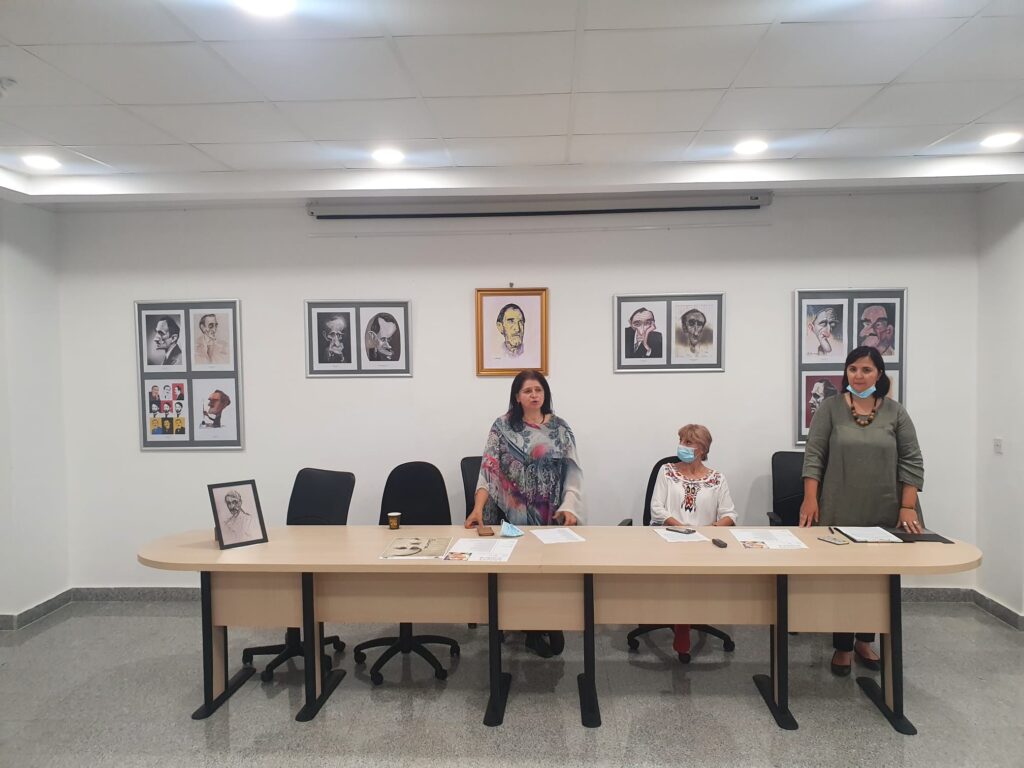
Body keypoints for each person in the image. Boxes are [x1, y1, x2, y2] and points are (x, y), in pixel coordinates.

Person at [800, 345, 924, 676]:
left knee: (877, 579)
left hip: (885, 508)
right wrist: (810, 498)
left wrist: (908, 506)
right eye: (853, 369)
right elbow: (814, 455)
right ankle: (842, 646)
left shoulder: (895, 412)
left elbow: (912, 460)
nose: (859, 375)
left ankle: (865, 642)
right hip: (840, 505)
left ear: (879, 374)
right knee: (844, 579)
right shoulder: (830, 408)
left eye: (866, 370)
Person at [466, 370, 583, 657]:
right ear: (517, 396)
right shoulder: (502, 427)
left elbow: (573, 473)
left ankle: (544, 619)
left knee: (547, 573)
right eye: (528, 390)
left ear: (545, 394)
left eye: (538, 390)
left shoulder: (560, 428)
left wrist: (569, 506)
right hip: (511, 517)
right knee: (518, 574)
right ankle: (527, 625)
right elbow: (488, 470)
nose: (534, 395)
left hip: (550, 515)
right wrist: (477, 509)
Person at [649, 424, 737, 658]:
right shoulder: (667, 472)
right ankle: (683, 624)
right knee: (680, 571)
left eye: (688, 442)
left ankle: (683, 621)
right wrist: (682, 528)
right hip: (670, 539)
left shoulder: (717, 478)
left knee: (691, 572)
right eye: (681, 441)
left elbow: (730, 514)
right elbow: (656, 508)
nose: (682, 446)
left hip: (704, 544)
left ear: (702, 449)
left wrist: (711, 530)